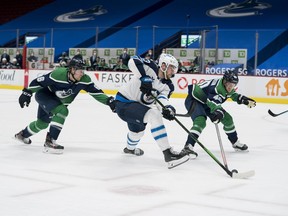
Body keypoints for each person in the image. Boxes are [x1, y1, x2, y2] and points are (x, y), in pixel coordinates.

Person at [14, 58, 116, 154]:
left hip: (56, 102)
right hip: (44, 95)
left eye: (83, 70)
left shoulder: (84, 79)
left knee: (42, 123)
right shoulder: (59, 74)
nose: (82, 73)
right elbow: (38, 81)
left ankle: (22, 135)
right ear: (72, 69)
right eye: (80, 70)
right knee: (62, 111)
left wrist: (108, 101)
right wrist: (27, 92)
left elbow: (96, 93)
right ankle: (50, 142)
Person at [113, 54, 191, 169]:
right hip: (123, 103)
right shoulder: (150, 67)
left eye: (174, 69)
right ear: (163, 65)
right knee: (154, 115)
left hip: (137, 108)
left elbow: (162, 99)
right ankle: (168, 154)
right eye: (171, 68)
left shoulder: (168, 86)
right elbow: (132, 61)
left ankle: (129, 149)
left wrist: (168, 108)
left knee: (138, 132)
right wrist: (144, 77)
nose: (173, 71)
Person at [182, 69, 256, 156]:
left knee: (228, 119)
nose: (230, 87)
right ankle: (188, 146)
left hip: (207, 101)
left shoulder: (226, 86)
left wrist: (243, 99)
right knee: (200, 121)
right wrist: (218, 112)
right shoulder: (216, 88)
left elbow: (232, 94)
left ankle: (235, 142)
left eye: (233, 85)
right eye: (229, 84)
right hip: (195, 99)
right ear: (224, 81)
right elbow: (212, 102)